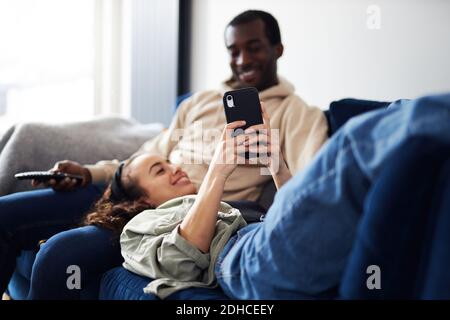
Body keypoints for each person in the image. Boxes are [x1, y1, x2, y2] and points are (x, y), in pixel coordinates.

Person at [0, 10, 328, 299]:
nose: (242, 59)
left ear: (277, 49)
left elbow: (310, 189)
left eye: (253, 47)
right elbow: (148, 155)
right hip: (136, 188)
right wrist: (88, 173)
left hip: (178, 211)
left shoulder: (297, 114)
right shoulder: (200, 101)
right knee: (5, 214)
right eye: (233, 50)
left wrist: (274, 163)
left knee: (60, 254)